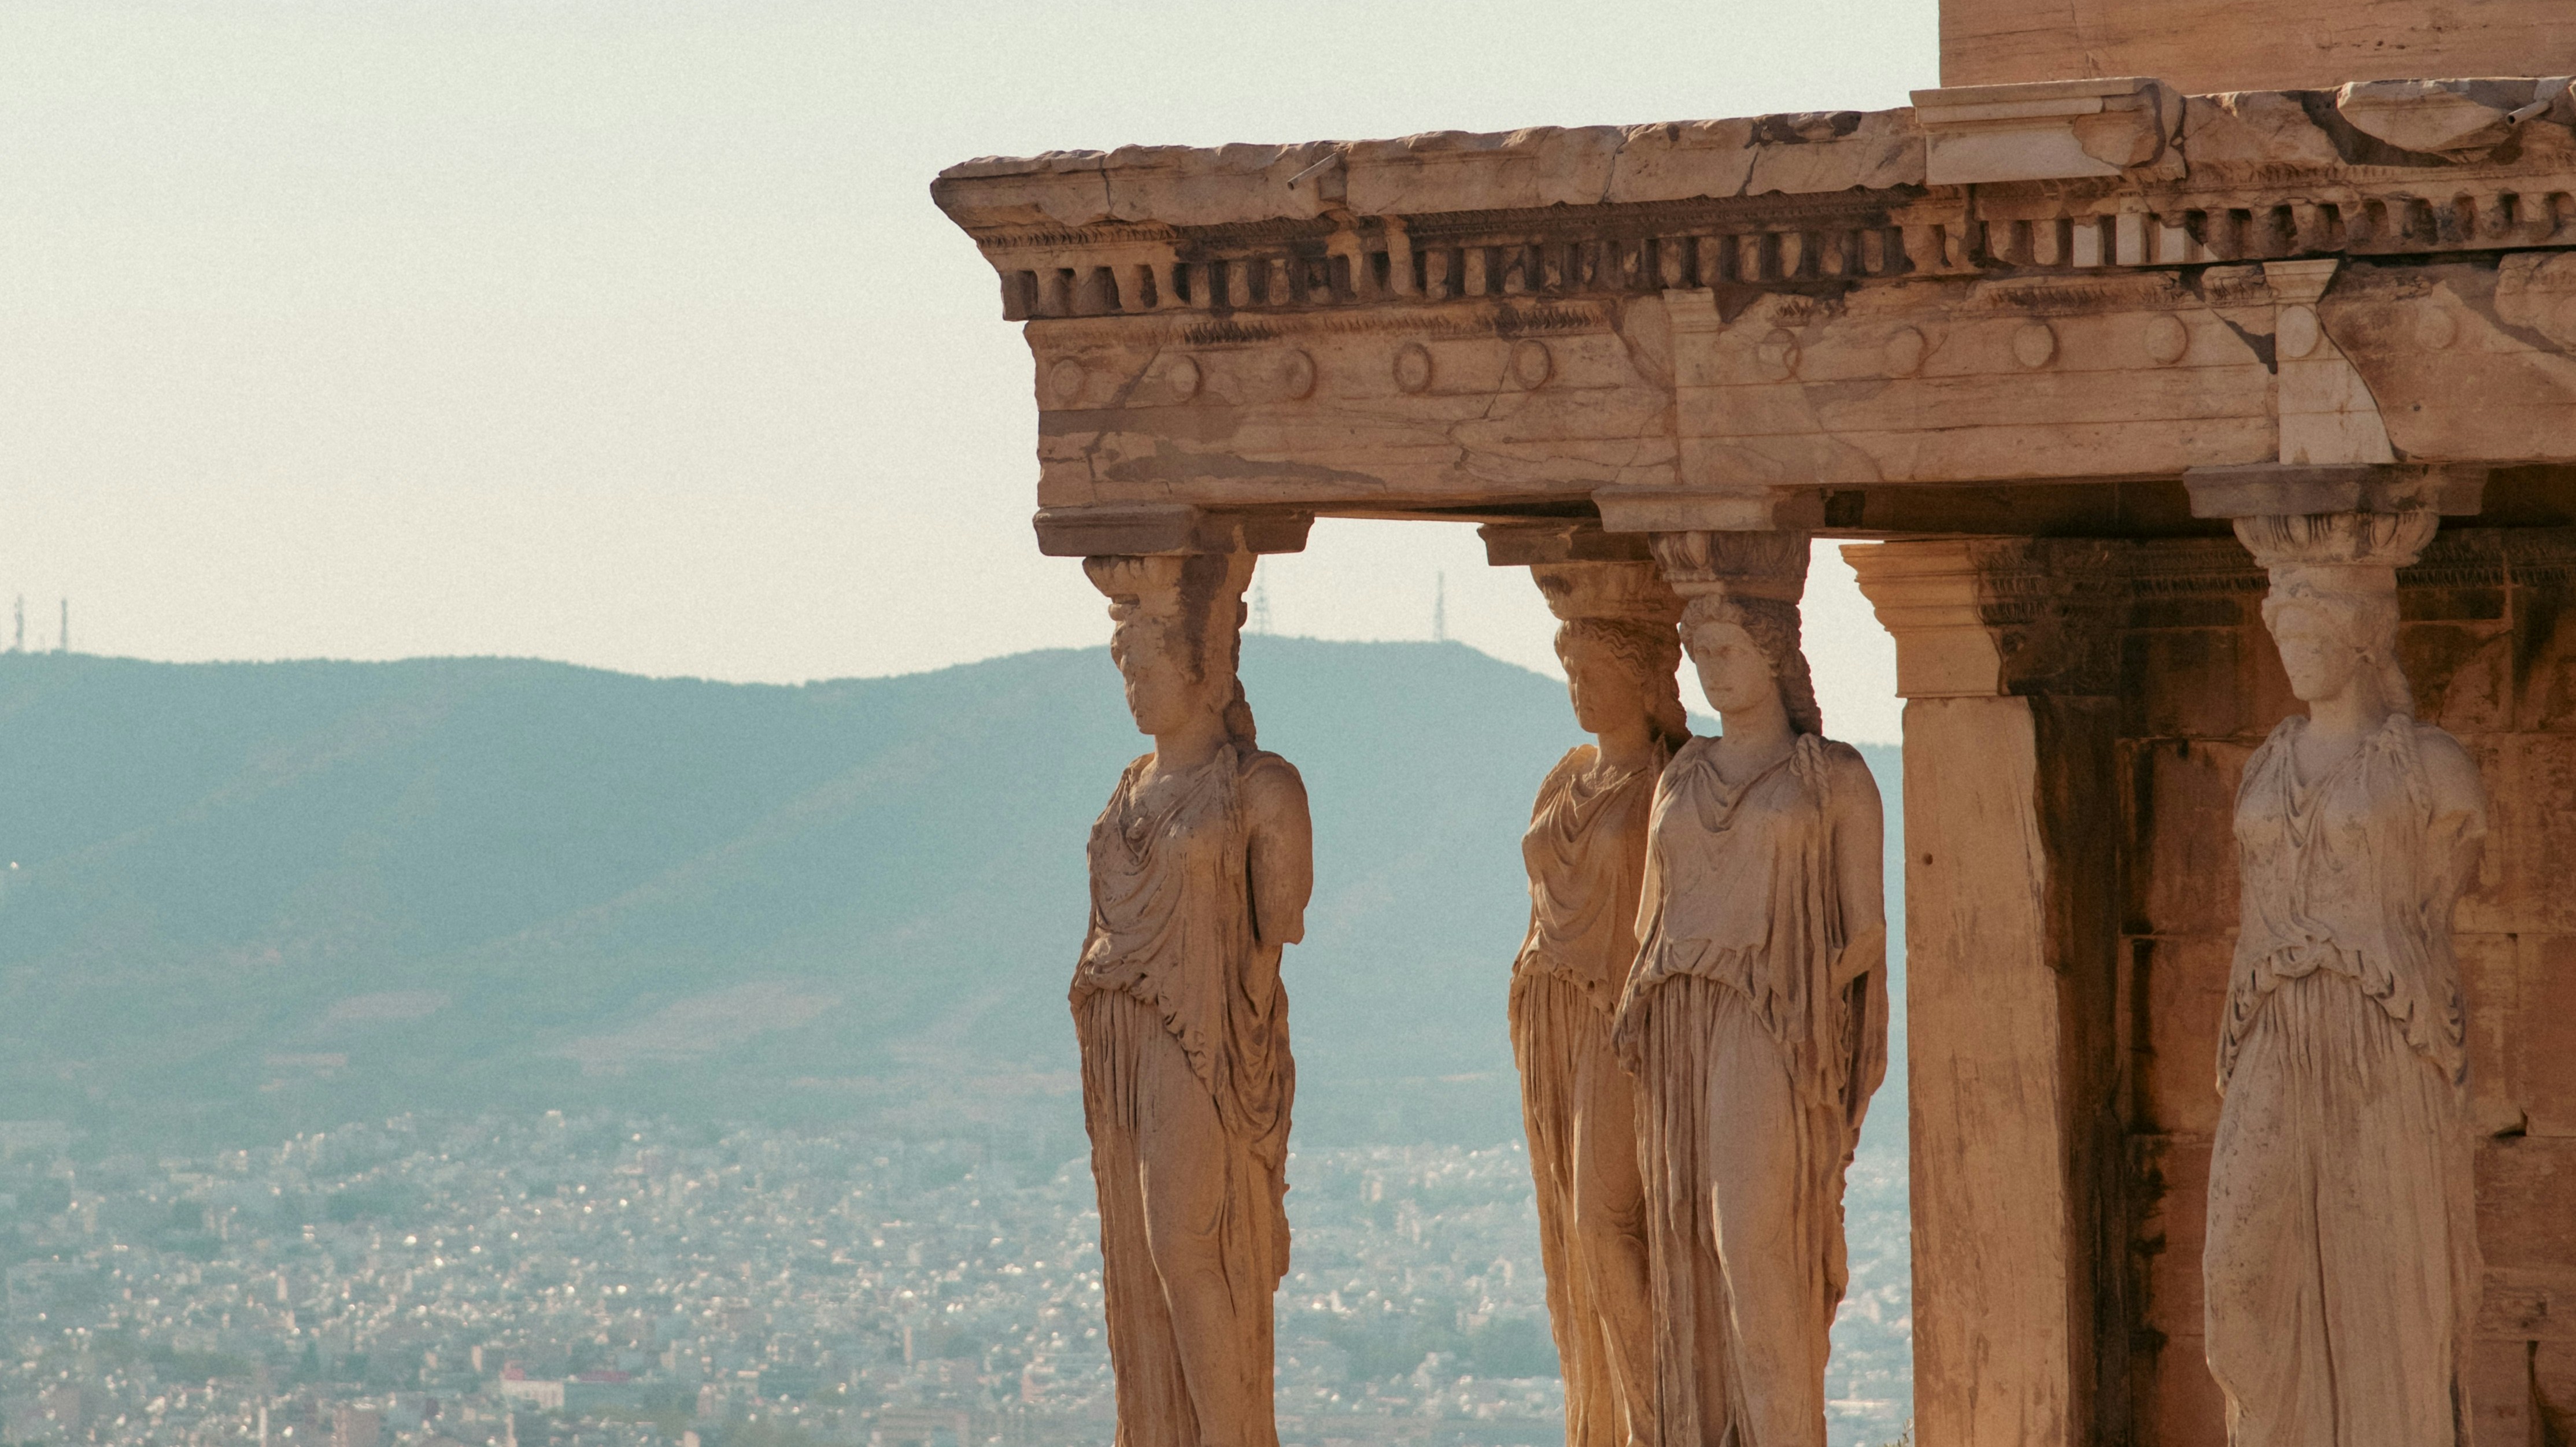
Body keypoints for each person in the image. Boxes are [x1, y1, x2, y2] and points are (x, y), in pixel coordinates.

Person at [2203, 517, 2486, 1447]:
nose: (2293, 655)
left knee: (2389, 1275)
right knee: (2239, 1283)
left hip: (2382, 1030)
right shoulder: (2267, 763)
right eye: (2284, 634)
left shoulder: (2432, 768)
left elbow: (2439, 897)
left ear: (2363, 637)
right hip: (2270, 1028)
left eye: (2312, 633)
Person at [1612, 589, 1886, 1447]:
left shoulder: (1832, 777)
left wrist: (1796, 993)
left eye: (1727, 650)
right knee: (1685, 1245)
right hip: (1677, 1019)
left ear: (1774, 656)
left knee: (1750, 1244)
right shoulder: (1681, 774)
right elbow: (1650, 916)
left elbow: (1866, 931)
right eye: (1699, 655)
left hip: (1773, 1024)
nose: (1711, 670)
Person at [1073, 552, 1313, 1447]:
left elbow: (1280, 919)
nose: (1133, 685)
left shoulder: (1261, 788)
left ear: (1204, 668)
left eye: (1149, 665)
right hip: (1120, 1034)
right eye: (1125, 668)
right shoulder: (1128, 787)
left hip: (1202, 1036)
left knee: (1184, 1245)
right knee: (1139, 1256)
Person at [1510, 570, 1690, 1447]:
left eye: (1596, 671)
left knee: (1608, 1221)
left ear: (1646, 679)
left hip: (1629, 1026)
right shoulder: (1566, 779)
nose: (1579, 689)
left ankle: (1663, 1424)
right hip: (1554, 1015)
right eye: (1570, 671)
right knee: (1576, 1230)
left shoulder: (1673, 783)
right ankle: (1617, 1421)